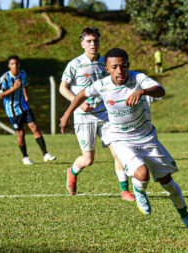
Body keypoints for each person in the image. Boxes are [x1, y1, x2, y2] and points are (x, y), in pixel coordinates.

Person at [60, 48, 188, 230]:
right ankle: (139, 189)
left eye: (123, 66)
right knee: (142, 174)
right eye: (115, 67)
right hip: (122, 139)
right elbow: (81, 94)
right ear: (107, 69)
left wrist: (142, 92)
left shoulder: (138, 79)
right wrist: (66, 115)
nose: (120, 71)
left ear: (128, 66)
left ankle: (185, 215)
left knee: (168, 182)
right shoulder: (102, 85)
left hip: (148, 137)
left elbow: (160, 90)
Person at [59, 27, 135, 201]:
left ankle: (124, 190)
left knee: (118, 152)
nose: (93, 44)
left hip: (106, 116)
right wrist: (78, 104)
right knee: (88, 159)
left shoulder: (106, 63)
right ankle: (71, 171)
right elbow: (62, 88)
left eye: (95, 41)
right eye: (89, 41)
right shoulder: (75, 64)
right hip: (84, 117)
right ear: (82, 44)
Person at [0, 55, 56, 165]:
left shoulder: (23, 74)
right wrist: (14, 88)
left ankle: (46, 154)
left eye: (16, 63)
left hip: (24, 106)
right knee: (21, 133)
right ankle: (25, 157)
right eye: (12, 64)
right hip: (12, 110)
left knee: (35, 128)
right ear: (9, 66)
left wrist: (26, 95)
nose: (15, 66)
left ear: (19, 64)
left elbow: (25, 85)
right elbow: (1, 95)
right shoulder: (4, 79)